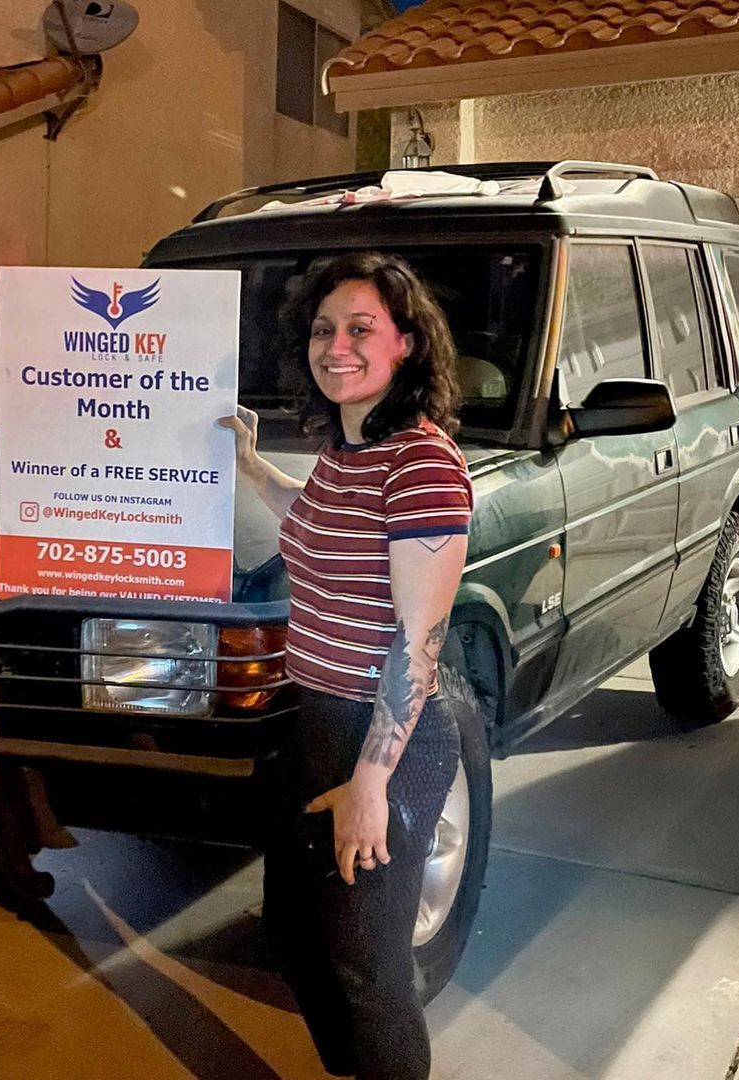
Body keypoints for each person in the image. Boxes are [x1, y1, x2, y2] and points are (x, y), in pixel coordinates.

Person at [220, 251, 473, 1079]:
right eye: (325, 329)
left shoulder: (423, 467)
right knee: (295, 932)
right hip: (319, 721)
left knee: (365, 965)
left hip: (387, 739)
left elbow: (417, 645)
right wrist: (255, 468)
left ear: (406, 344)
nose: (338, 346)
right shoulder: (351, 449)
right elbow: (318, 518)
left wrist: (372, 785)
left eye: (362, 327)